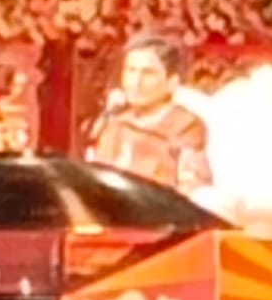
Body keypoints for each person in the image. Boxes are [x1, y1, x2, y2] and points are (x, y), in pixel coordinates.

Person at [86, 34, 212, 197]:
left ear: (171, 82)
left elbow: (190, 189)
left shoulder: (185, 126)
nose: (135, 82)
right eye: (130, 71)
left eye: (148, 73)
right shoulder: (115, 122)